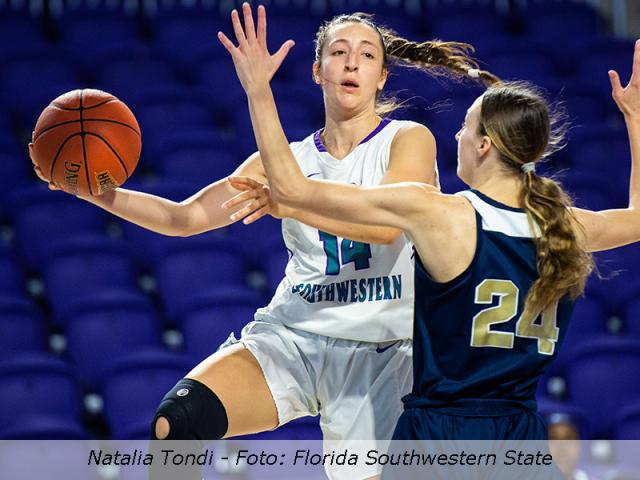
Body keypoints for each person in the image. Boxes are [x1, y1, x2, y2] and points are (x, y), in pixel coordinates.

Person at [30, 4, 493, 479]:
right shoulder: (284, 159)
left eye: (366, 55)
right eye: (339, 52)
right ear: (318, 71)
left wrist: (269, 131)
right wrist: (97, 192)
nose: (352, 63)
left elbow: (385, 228)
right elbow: (184, 217)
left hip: (384, 349)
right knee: (177, 423)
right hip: (296, 336)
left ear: (381, 76)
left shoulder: (406, 139)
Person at [221, 3, 640, 443]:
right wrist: (635, 121)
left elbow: (293, 188)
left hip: (439, 433)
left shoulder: (442, 214)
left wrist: (257, 91)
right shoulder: (563, 224)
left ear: (482, 145)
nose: (455, 136)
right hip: (518, 436)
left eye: (463, 127)